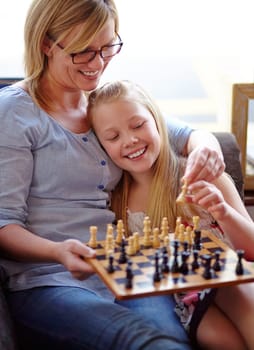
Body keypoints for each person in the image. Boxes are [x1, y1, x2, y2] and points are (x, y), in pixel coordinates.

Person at [0, 1, 226, 349]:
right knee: (144, 341)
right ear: (47, 43)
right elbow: (4, 225)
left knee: (171, 337)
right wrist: (58, 251)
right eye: (83, 52)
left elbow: (183, 134)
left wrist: (206, 146)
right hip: (50, 282)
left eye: (107, 47)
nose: (98, 63)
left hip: (123, 272)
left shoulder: (100, 103)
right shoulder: (15, 113)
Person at [87, 79, 254, 350]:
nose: (130, 140)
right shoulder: (114, 203)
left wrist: (223, 213)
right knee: (222, 340)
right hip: (188, 299)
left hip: (236, 279)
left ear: (157, 121)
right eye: (113, 136)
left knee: (238, 296)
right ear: (101, 146)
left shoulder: (206, 178)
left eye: (138, 125)